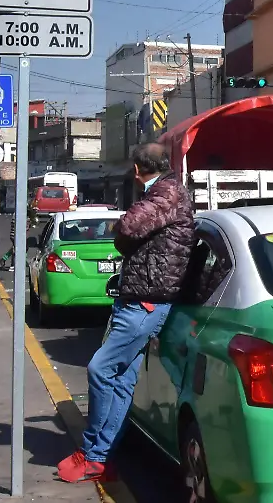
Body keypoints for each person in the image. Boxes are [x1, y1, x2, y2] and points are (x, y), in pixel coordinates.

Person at [58, 142, 195, 484]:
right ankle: (100, 456)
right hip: (140, 297)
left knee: (101, 370)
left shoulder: (167, 193)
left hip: (145, 302)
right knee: (120, 381)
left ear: (137, 170)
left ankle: (94, 453)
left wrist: (123, 233)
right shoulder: (167, 193)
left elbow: (128, 228)